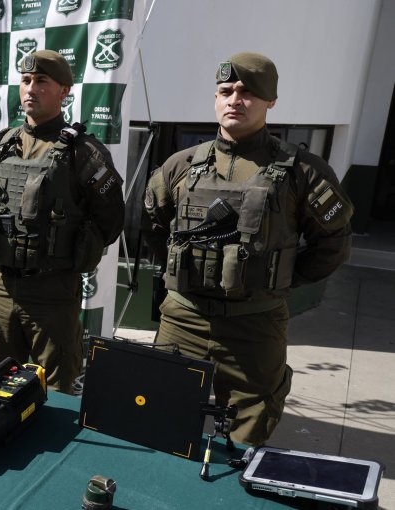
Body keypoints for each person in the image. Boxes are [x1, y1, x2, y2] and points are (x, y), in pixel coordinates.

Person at [143, 52, 353, 445]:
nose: (235, 100)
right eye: (226, 91)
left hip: (254, 328)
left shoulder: (302, 171)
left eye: (247, 93)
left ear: (271, 101)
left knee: (247, 434)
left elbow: (333, 245)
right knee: (159, 421)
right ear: (215, 97)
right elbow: (156, 230)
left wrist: (279, 278)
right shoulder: (179, 166)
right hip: (182, 320)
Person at [0, 50, 125, 394]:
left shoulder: (83, 152)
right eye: (25, 81)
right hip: (0, 286)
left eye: (42, 81)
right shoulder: (0, 146)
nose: (30, 89)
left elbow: (111, 220)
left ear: (64, 91)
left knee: (54, 389)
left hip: (51, 294)